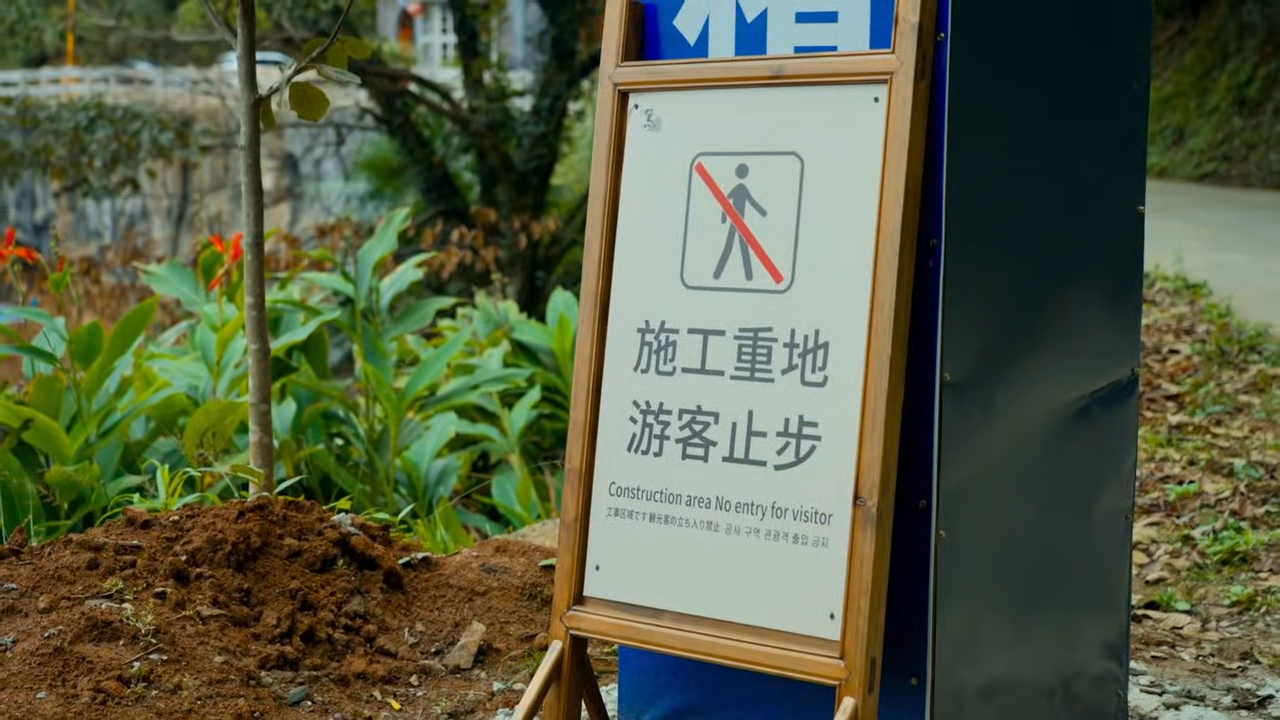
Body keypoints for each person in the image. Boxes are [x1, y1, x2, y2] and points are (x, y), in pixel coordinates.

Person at [713, 163, 767, 281]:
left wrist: (762, 212)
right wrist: (723, 218)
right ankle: (719, 274)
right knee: (733, 248)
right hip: (736, 223)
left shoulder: (741, 188)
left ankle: (747, 276)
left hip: (739, 223)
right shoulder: (739, 188)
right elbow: (726, 201)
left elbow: (751, 201)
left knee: (738, 247)